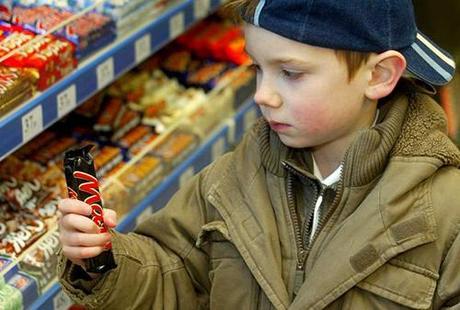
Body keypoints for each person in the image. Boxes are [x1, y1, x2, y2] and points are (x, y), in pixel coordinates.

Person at [57, 0, 460, 309]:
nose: (262, 95)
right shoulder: (229, 182)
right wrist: (103, 259)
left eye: (291, 73)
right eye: (257, 69)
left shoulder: (445, 216)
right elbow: (175, 275)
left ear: (378, 75)